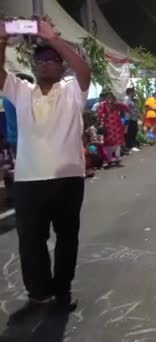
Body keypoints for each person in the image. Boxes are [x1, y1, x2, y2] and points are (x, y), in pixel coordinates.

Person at [0, 19, 92, 316]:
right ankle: (39, 293)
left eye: (54, 60)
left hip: (68, 178)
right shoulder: (21, 90)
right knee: (31, 240)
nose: (47, 64)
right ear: (34, 65)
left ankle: (62, 289)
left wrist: (54, 39)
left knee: (67, 238)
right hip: (29, 179)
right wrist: (2, 40)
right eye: (41, 60)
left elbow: (84, 71)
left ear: (62, 66)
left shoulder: (71, 91)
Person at [97, 93, 129, 166]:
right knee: (109, 142)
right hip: (108, 126)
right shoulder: (103, 105)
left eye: (111, 97)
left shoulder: (116, 104)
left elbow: (126, 108)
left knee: (118, 141)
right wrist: (102, 119)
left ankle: (117, 157)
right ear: (106, 98)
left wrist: (117, 103)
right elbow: (99, 114)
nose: (110, 99)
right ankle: (109, 158)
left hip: (117, 126)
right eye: (108, 97)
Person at [123, 88, 141, 152]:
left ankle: (133, 144)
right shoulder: (127, 99)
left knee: (134, 131)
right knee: (130, 132)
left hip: (134, 117)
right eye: (133, 92)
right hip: (129, 118)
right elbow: (126, 108)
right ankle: (130, 146)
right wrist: (131, 113)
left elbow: (135, 108)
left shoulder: (132, 99)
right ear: (130, 92)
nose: (134, 93)